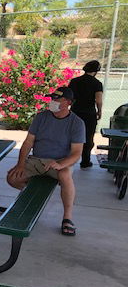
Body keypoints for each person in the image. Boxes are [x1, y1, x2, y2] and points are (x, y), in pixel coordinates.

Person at [7, 87, 85, 236]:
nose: (52, 101)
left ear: (68, 102)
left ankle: (67, 217)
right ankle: (32, 198)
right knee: (12, 178)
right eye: (52, 98)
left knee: (65, 175)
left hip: (60, 161)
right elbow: (28, 142)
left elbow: (76, 153)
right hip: (37, 160)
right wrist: (20, 164)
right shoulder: (41, 117)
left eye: (57, 99)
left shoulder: (77, 123)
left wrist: (60, 164)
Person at [68, 60, 103, 168]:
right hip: (89, 113)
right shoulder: (97, 83)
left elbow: (69, 97)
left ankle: (67, 160)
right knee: (88, 137)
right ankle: (85, 161)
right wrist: (99, 111)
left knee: (70, 135)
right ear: (96, 71)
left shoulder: (74, 81)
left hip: (75, 112)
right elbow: (98, 100)